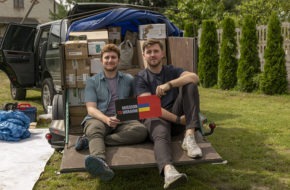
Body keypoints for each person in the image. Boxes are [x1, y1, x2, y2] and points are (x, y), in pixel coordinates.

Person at [135, 39, 202, 189]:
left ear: (162, 54)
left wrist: (169, 84)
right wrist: (178, 120)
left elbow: (195, 77)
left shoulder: (171, 71)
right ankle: (168, 171)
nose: (153, 55)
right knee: (160, 130)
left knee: (189, 84)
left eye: (156, 51)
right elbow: (150, 108)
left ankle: (189, 137)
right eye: (149, 52)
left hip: (179, 119)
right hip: (157, 119)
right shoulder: (140, 78)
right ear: (144, 55)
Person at [82, 44, 147, 181]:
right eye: (107, 57)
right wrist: (106, 119)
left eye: (113, 57)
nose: (110, 60)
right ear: (101, 61)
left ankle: (93, 140)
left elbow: (138, 100)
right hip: (99, 118)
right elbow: (91, 109)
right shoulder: (92, 82)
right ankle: (100, 162)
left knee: (141, 131)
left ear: (118, 60)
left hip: (123, 119)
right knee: (94, 128)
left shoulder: (128, 79)